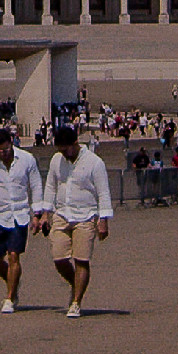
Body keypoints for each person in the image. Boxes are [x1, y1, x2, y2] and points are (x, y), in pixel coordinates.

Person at [43, 124, 113, 319]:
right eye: (60, 150)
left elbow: (103, 192)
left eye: (66, 149)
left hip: (86, 215)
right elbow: (50, 186)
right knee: (59, 258)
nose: (63, 153)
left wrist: (103, 219)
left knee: (81, 259)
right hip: (62, 213)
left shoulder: (94, 162)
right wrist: (44, 213)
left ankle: (76, 302)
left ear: (75, 143)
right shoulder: (57, 160)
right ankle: (75, 283)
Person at [0, 127, 48, 314]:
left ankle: (9, 297)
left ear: (12, 143)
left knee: (14, 255)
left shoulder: (27, 160)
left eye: (5, 150)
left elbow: (36, 186)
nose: (2, 154)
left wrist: (37, 213)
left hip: (20, 214)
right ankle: (13, 281)